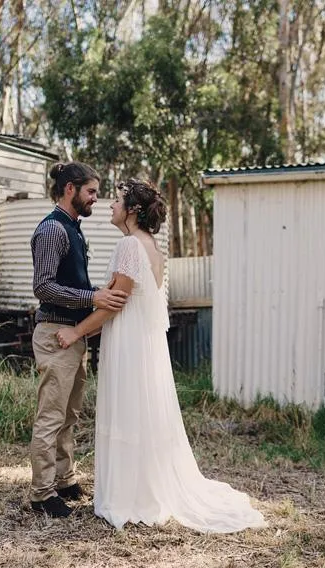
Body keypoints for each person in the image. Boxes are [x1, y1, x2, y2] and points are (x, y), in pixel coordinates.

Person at [55, 179, 267, 533]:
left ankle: (132, 496)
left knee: (128, 411)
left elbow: (115, 302)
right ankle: (141, 486)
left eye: (118, 200)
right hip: (144, 343)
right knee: (140, 413)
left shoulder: (128, 246)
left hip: (128, 343)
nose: (111, 205)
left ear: (132, 211)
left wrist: (76, 332)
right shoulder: (152, 246)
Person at [29, 162, 129, 518]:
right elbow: (43, 286)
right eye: (91, 192)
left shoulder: (73, 229)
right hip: (54, 334)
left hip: (73, 336)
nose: (95, 199)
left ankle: (65, 479)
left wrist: (96, 303)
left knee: (69, 414)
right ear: (70, 189)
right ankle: (41, 494)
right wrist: (92, 299)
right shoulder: (53, 230)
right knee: (50, 416)